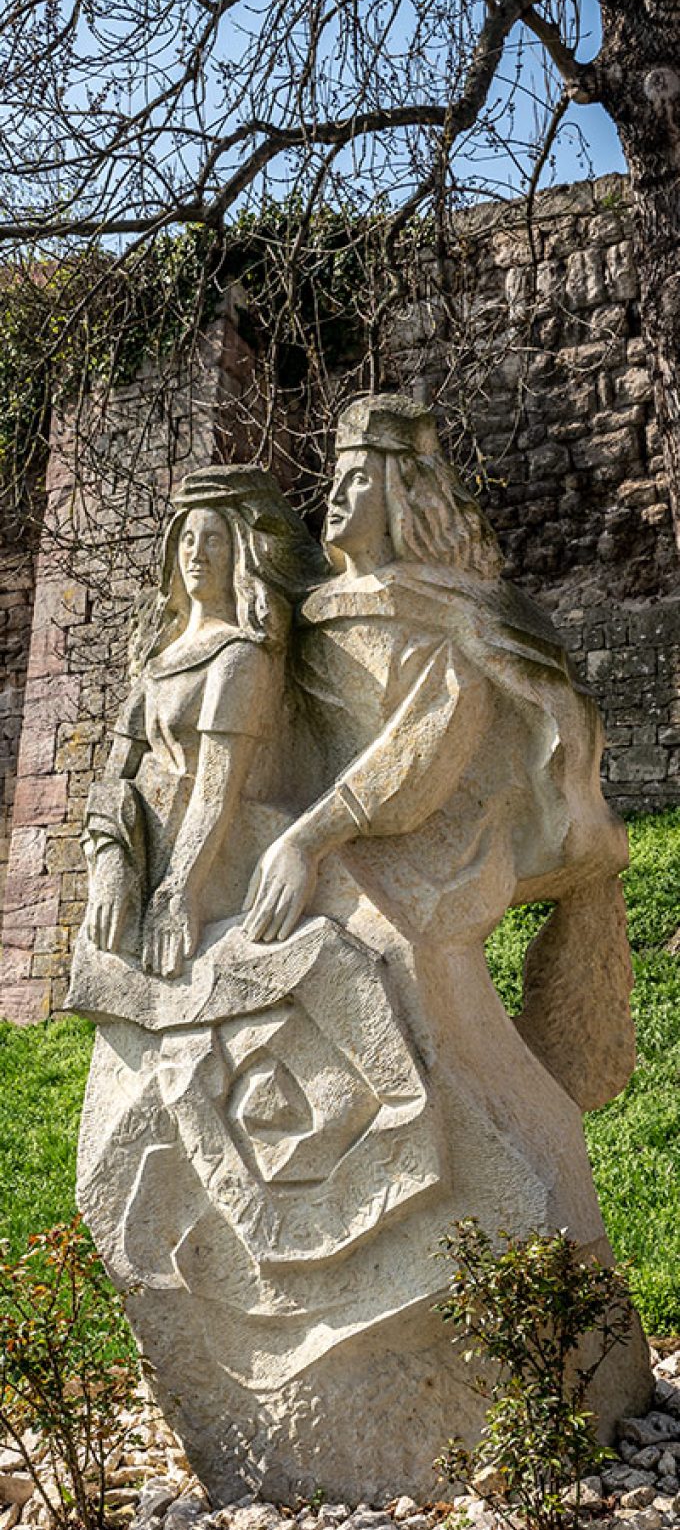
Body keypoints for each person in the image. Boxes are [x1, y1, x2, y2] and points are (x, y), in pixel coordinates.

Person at [243, 393, 634, 1109]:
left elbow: (420, 750)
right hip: (336, 836)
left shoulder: (454, 614)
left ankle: (415, 1120)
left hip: (447, 847)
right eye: (336, 477)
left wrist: (307, 839)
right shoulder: (309, 616)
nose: (336, 495)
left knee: (365, 939)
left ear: (401, 493)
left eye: (359, 478)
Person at [82, 465, 319, 977]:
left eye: (213, 540)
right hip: (145, 856)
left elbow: (216, 789)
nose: (197, 553)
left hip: (215, 867)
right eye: (187, 539)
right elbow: (114, 778)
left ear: (237, 554)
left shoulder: (240, 657)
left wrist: (178, 891)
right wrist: (110, 860)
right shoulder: (157, 662)